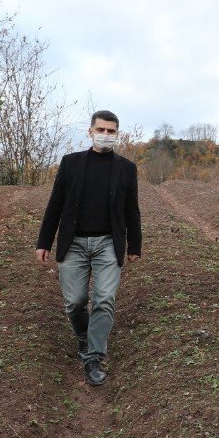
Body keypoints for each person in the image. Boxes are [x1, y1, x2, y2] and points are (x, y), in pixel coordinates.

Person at [35, 110, 142, 385]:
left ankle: (93, 356)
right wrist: (44, 241)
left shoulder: (126, 168)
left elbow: (132, 210)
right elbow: (55, 203)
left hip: (108, 242)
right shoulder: (71, 163)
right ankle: (83, 334)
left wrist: (135, 245)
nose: (106, 135)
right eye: (101, 130)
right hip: (74, 243)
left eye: (111, 131)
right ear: (90, 131)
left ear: (117, 134)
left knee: (105, 298)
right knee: (75, 302)